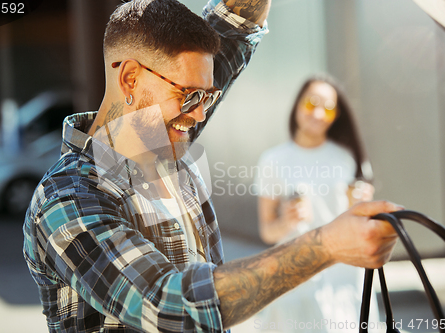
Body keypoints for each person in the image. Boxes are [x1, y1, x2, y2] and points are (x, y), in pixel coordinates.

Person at [23, 1, 400, 332]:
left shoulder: (164, 133)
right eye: (190, 96)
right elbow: (170, 305)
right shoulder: (66, 199)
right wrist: (325, 246)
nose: (201, 113)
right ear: (130, 79)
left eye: (208, 96)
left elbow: (239, 21)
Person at [253, 75, 379, 332]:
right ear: (297, 105)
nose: (319, 113)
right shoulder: (273, 160)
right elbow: (267, 232)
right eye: (312, 103)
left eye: (329, 108)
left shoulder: (347, 157)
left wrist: (363, 205)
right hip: (296, 277)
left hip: (343, 276)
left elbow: (358, 221)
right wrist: (287, 221)